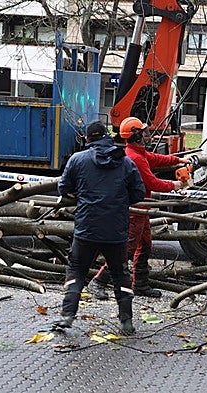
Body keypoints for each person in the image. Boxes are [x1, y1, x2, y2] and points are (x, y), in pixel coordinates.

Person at [53, 120, 146, 335]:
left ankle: (67, 316)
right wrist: (120, 202)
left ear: (87, 139)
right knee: (121, 274)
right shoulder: (125, 162)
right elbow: (138, 193)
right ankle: (126, 322)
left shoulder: (77, 160)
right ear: (107, 136)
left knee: (76, 270)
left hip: (87, 228)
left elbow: (63, 187)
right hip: (116, 231)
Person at [89, 117, 192, 299]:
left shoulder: (139, 153)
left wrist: (179, 160)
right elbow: (152, 182)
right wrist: (176, 185)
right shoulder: (134, 157)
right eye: (143, 133)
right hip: (134, 209)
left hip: (142, 208)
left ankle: (140, 284)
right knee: (127, 249)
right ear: (136, 136)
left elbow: (157, 159)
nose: (147, 135)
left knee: (144, 245)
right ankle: (98, 281)